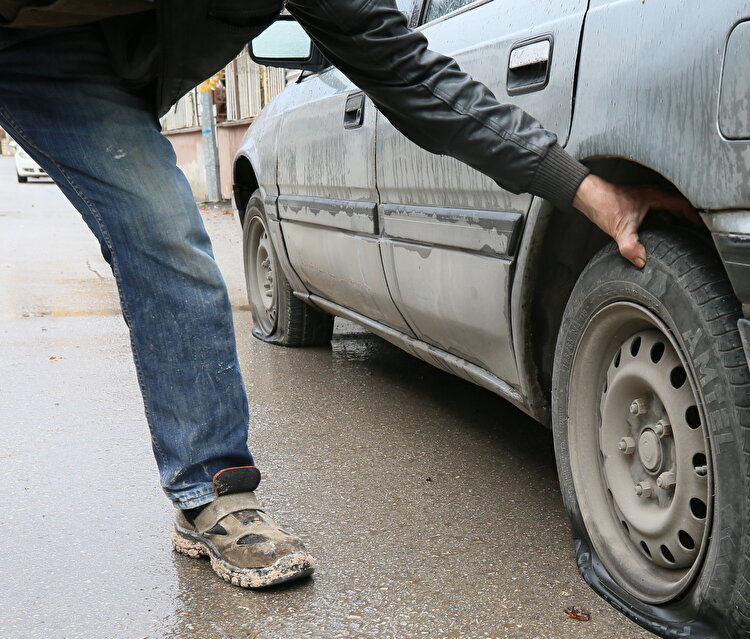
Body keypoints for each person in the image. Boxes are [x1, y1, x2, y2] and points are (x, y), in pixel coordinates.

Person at [0, 0, 693, 589]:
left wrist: (587, 192)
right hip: (28, 38)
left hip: (86, 76)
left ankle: (211, 494)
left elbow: (419, 80)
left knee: (166, 239)